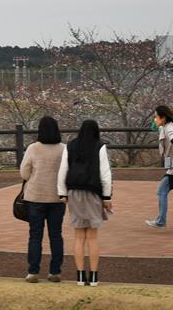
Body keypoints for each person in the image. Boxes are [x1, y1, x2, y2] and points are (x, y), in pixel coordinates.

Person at [57, 120, 112, 287]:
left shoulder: (71, 146)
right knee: (92, 236)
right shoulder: (99, 146)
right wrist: (107, 197)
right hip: (93, 192)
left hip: (74, 192)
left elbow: (63, 169)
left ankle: (80, 277)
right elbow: (105, 173)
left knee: (79, 236)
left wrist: (62, 192)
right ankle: (94, 276)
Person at [20, 116, 66, 283]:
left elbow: (24, 173)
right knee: (56, 235)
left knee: (35, 235)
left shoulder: (33, 148)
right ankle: (55, 271)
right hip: (57, 197)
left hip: (35, 196)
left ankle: (33, 271)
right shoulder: (63, 149)